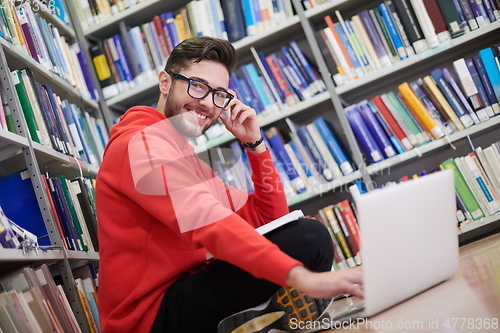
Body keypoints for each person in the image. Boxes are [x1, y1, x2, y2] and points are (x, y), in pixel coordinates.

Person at [96, 36, 363, 333]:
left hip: (186, 292)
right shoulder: (139, 143)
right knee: (307, 238)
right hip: (150, 319)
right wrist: (301, 277)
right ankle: (263, 320)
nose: (207, 104)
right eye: (197, 86)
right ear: (165, 82)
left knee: (307, 237)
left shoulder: (183, 155)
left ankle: (263, 321)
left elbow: (268, 219)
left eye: (219, 95)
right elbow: (205, 219)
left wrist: (255, 145)